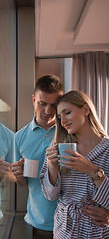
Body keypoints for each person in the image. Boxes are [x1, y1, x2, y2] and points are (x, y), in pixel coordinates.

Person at [40, 90, 109, 238]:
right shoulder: (58, 148)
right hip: (65, 232)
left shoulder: (107, 150)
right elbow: (50, 196)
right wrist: (52, 167)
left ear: (85, 110)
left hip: (97, 233)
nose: (63, 121)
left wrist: (92, 170)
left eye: (67, 112)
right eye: (59, 117)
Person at [11, 74, 64, 238]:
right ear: (34, 100)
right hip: (39, 222)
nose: (48, 111)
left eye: (54, 105)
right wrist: (18, 175)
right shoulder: (19, 137)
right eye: (42, 104)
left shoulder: (71, 132)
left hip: (72, 221)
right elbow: (21, 182)